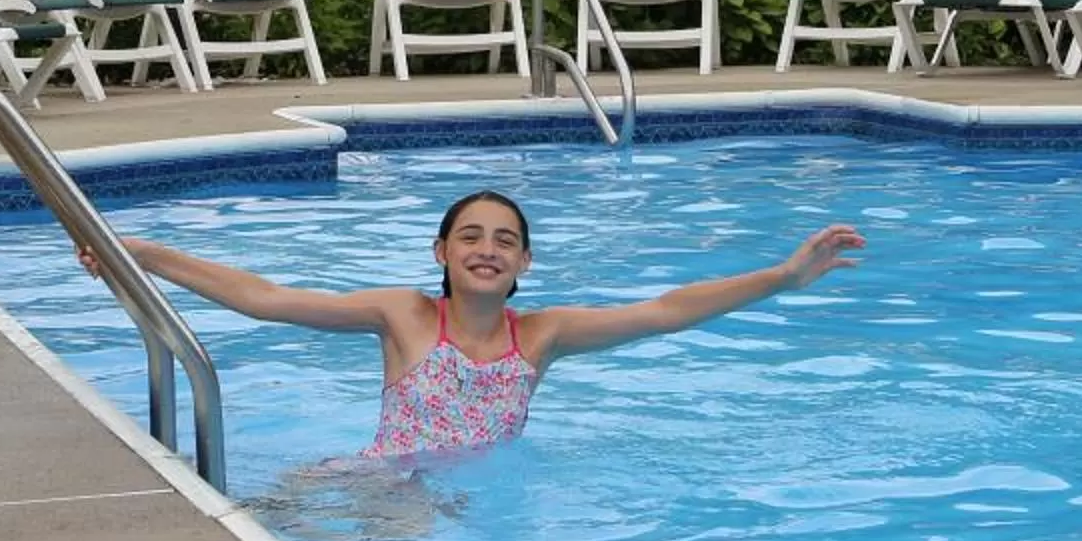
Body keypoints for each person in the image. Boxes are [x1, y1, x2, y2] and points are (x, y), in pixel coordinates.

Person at [91, 190, 863, 458]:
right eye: (470, 236)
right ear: (441, 252)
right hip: (388, 488)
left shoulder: (543, 336)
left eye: (503, 241)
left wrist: (783, 278)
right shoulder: (403, 316)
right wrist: (148, 255)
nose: (486, 250)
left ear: (524, 262)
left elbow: (666, 311)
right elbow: (266, 297)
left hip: (479, 502)